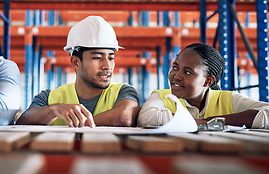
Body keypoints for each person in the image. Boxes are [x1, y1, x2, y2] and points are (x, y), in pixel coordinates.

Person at [16, 16, 140, 127]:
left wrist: (82, 124)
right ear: (76, 62)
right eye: (97, 58)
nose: (107, 66)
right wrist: (53, 110)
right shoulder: (49, 98)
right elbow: (24, 121)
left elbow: (125, 117)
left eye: (111, 58)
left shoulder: (123, 92)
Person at [138, 42, 269, 129]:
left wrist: (206, 122)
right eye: (175, 67)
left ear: (208, 81)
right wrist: (209, 124)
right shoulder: (162, 96)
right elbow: (146, 118)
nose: (176, 76)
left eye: (188, 72)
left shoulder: (228, 100)